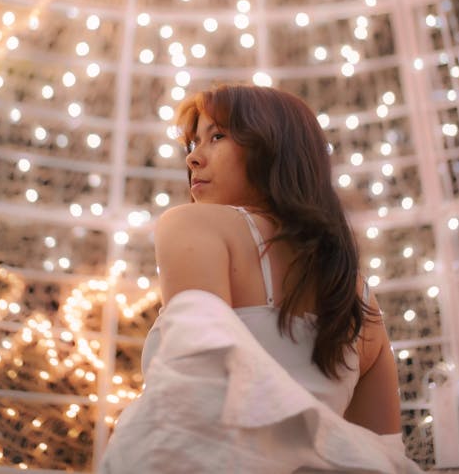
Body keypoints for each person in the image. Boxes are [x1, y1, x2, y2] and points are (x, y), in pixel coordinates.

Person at [101, 84, 421, 473]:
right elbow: (383, 457)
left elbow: (195, 398)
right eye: (193, 143)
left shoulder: (192, 225)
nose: (193, 159)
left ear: (273, 148)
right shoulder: (361, 300)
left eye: (217, 137)